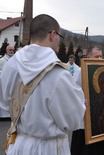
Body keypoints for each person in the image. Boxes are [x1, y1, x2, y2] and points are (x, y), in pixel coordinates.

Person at [0, 14, 86, 155]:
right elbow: (73, 120)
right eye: (60, 36)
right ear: (52, 34)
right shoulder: (58, 73)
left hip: (18, 143)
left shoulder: (11, 65)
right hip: (48, 148)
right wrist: (82, 104)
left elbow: (4, 104)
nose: (59, 41)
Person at [71, 45, 104, 155]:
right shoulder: (79, 72)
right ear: (88, 57)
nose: (99, 59)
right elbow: (72, 94)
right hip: (84, 122)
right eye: (96, 56)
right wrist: (81, 102)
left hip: (100, 123)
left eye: (101, 56)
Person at [0, 45, 15, 119]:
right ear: (6, 50)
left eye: (12, 49)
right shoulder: (2, 60)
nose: (11, 51)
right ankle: (3, 115)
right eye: (10, 50)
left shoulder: (16, 59)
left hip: (13, 82)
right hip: (3, 82)